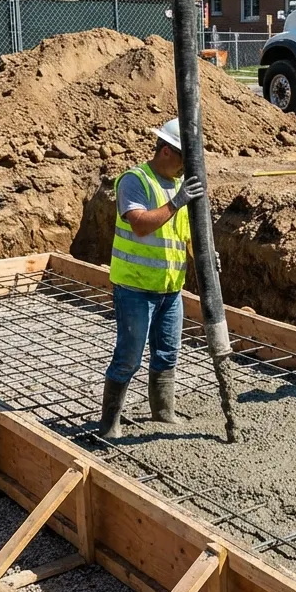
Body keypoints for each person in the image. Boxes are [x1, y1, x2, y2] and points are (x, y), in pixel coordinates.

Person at [99, 118, 205, 439]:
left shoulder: (179, 186)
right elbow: (141, 225)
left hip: (170, 290)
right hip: (135, 289)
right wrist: (175, 202)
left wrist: (203, 262)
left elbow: (184, 237)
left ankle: (162, 412)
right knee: (128, 358)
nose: (187, 168)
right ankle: (109, 425)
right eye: (184, 159)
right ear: (165, 151)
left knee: (168, 353)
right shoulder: (135, 181)